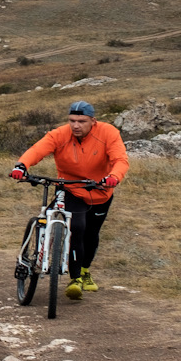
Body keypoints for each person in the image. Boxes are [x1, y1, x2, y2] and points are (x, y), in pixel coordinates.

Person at [10, 100, 129, 299]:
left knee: (91, 235)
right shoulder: (60, 134)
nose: (75, 126)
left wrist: (113, 177)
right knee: (78, 227)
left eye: (81, 121)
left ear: (93, 121)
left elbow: (120, 160)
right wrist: (21, 165)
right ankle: (75, 279)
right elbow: (38, 150)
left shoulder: (108, 133)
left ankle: (84, 270)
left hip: (101, 192)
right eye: (72, 121)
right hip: (71, 189)